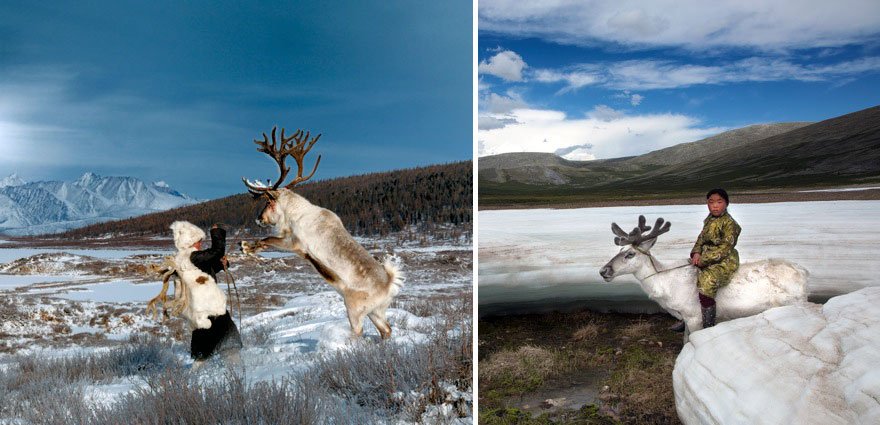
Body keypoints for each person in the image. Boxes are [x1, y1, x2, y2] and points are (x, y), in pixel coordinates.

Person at [169, 221, 242, 363]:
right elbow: (216, 252)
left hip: (200, 307)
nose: (200, 244)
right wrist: (216, 232)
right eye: (197, 242)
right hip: (208, 307)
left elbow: (208, 265)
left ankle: (198, 374)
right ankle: (235, 371)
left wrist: (222, 264)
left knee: (204, 345)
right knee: (228, 340)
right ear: (189, 242)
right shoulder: (192, 256)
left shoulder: (185, 258)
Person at [689, 188, 741, 329]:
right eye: (711, 202)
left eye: (719, 202)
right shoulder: (709, 220)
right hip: (705, 256)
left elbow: (725, 249)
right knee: (690, 276)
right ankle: (689, 317)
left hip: (724, 261)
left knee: (707, 283)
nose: (715, 205)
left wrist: (703, 260)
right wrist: (696, 253)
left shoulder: (730, 224)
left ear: (726, 203)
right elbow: (701, 239)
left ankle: (708, 326)